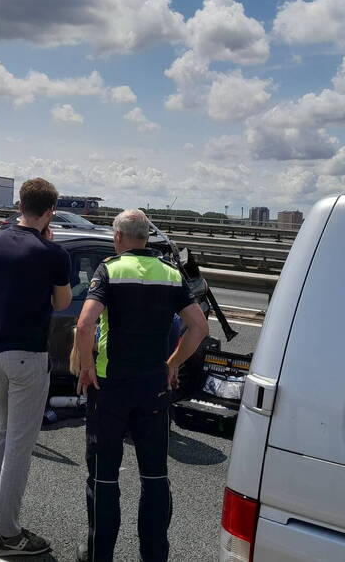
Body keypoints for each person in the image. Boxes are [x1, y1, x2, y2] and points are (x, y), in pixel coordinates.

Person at [74, 209, 209, 562]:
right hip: (154, 387)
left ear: (118, 237)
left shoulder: (109, 269)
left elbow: (85, 325)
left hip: (110, 387)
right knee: (154, 477)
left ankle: (99, 554)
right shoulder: (170, 273)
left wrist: (87, 367)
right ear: (146, 238)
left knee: (104, 479)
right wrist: (173, 364)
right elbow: (199, 327)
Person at [0, 177, 72, 557]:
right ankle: (8, 534)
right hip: (29, 357)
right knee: (20, 445)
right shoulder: (52, 254)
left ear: (19, 204)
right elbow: (62, 303)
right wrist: (50, 249)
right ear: (50, 210)